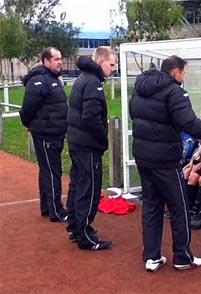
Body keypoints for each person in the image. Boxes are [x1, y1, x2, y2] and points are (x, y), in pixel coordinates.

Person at [129, 55, 201, 272]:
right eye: (184, 72)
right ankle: (182, 256)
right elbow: (190, 123)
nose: (184, 76)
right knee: (179, 207)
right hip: (165, 159)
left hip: (143, 156)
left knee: (152, 206)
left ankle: (151, 257)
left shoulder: (140, 88)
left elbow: (136, 113)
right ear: (176, 71)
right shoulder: (175, 92)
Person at [65, 46, 117, 250]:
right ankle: (85, 234)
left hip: (78, 142)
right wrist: (102, 137)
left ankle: (75, 228)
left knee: (77, 185)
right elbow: (91, 117)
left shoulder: (83, 78)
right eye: (111, 64)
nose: (113, 69)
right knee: (89, 188)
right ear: (101, 61)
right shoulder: (92, 82)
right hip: (87, 144)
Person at [19, 47, 68, 222]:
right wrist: (30, 124)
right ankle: (56, 210)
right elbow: (28, 108)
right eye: (56, 59)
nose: (60, 62)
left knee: (47, 170)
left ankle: (47, 207)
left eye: (60, 58)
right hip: (46, 134)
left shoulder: (53, 79)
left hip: (55, 132)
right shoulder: (38, 81)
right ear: (46, 61)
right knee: (52, 171)